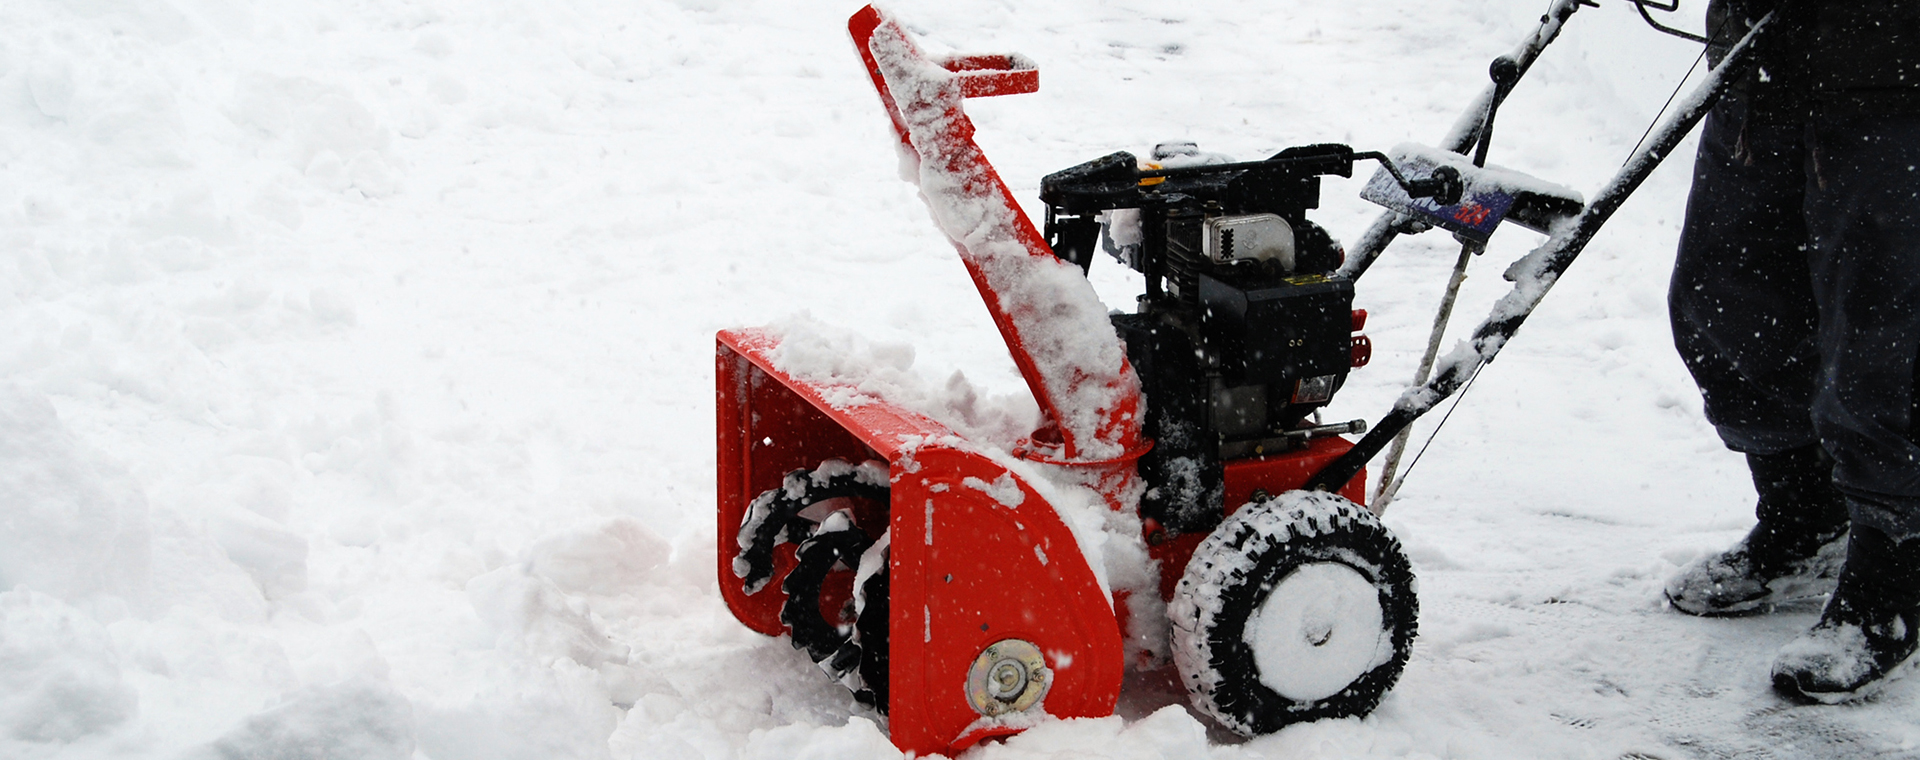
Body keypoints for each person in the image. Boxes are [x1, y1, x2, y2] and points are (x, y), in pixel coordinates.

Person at [1661, 0, 1920, 703]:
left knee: (1882, 340)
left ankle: (1891, 577)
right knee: (1727, 306)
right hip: (1763, 57)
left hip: (1895, 76)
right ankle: (1803, 518)